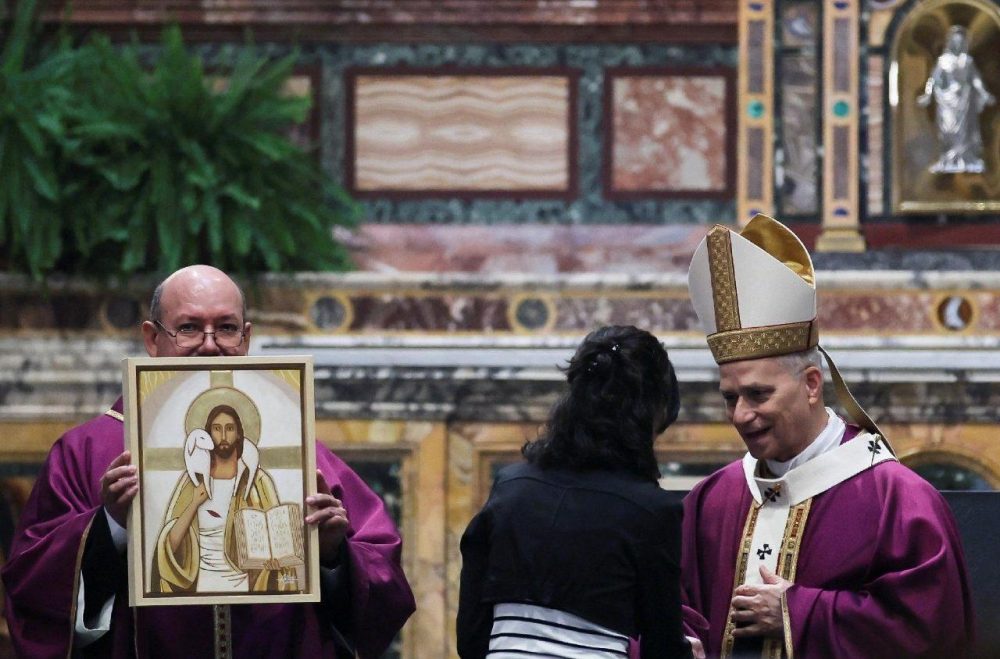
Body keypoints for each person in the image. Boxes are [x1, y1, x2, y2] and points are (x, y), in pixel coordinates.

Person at [1, 265, 415, 658]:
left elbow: (383, 577)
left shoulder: (299, 452)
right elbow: (33, 586)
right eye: (189, 328)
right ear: (151, 338)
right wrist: (109, 527)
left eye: (227, 328)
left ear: (246, 338)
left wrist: (331, 553)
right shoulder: (88, 451)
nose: (211, 343)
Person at [682, 215, 974, 658]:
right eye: (730, 398)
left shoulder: (897, 500)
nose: (742, 415)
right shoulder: (711, 500)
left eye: (758, 394)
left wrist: (796, 612)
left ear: (812, 384)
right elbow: (673, 608)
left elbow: (931, 632)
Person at [457, 325, 692, 659]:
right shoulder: (650, 510)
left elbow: (472, 633)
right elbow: (662, 643)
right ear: (649, 415)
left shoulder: (511, 488)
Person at [152, 401, 296, 594]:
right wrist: (194, 502)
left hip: (246, 588)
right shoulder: (194, 480)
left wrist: (276, 560)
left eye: (229, 429)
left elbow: (280, 542)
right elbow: (170, 545)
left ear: (238, 433)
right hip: (199, 587)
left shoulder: (257, 481)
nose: (223, 436)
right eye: (216, 429)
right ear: (208, 434)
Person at [917, 25, 996, 174]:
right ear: (950, 42)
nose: (958, 44)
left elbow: (976, 80)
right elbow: (933, 80)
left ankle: (966, 160)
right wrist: (927, 95)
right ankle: (947, 159)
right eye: (955, 41)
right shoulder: (943, 61)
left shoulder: (967, 61)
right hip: (947, 102)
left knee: (966, 132)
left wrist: (984, 94)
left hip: (965, 101)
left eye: (961, 42)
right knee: (948, 130)